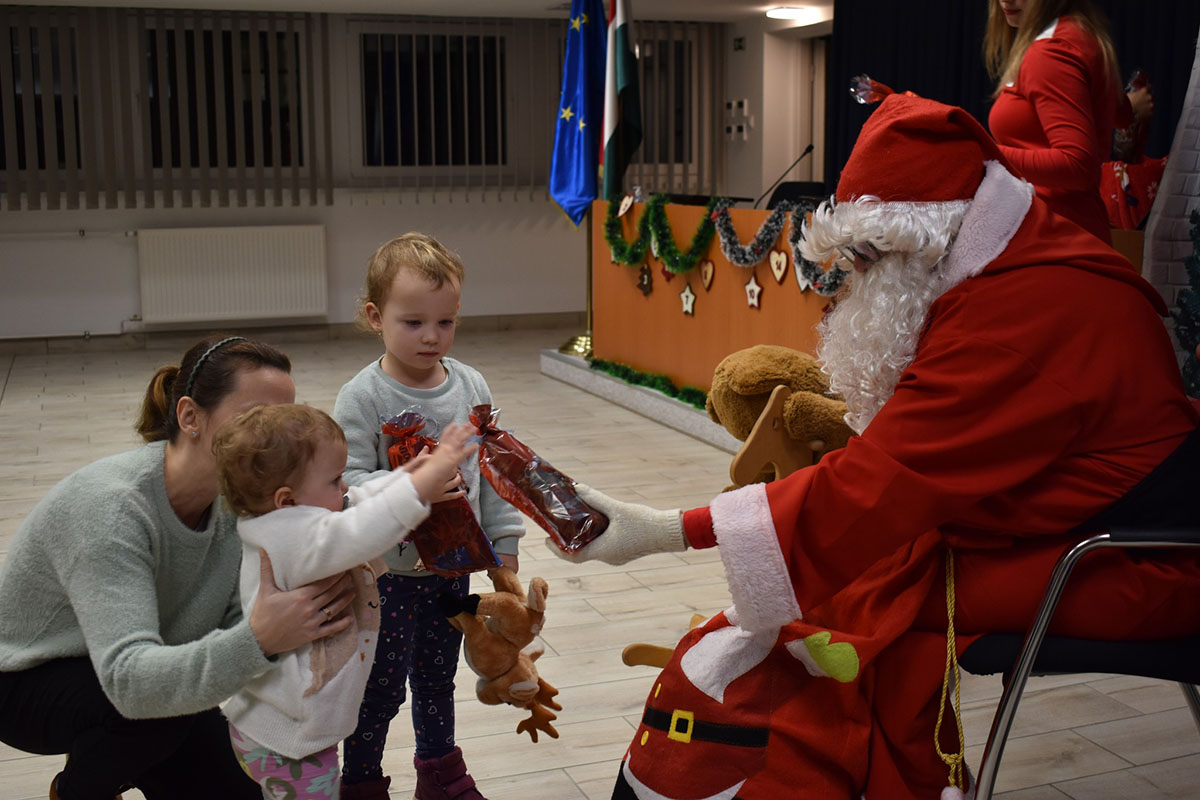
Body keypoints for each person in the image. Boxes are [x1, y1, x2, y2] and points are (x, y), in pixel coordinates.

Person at [548, 94, 1200, 799]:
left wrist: (666, 530)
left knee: (864, 609)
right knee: (854, 590)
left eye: (861, 260)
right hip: (1063, 527)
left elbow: (882, 482)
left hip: (1139, 557)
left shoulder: (1024, 314)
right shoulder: (1006, 271)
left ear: (921, 240)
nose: (849, 284)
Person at [0, 335, 357, 800]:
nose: (273, 439)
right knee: (155, 717)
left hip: (148, 669)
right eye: (253, 418)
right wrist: (263, 637)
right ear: (190, 416)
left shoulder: (242, 505)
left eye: (281, 420)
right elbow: (131, 682)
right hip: (28, 679)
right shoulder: (110, 507)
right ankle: (78, 790)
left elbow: (238, 618)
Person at [334, 233, 526, 800]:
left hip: (452, 571)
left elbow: (490, 472)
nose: (432, 336)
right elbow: (343, 483)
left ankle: (439, 774)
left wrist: (505, 545)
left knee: (439, 680)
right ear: (375, 316)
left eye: (446, 322)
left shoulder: (470, 386)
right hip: (385, 576)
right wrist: (410, 483)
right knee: (380, 688)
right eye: (413, 322)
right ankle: (361, 781)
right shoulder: (361, 396)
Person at [213, 403, 478, 799]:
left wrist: (407, 475)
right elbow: (360, 530)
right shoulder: (293, 539)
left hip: (278, 728)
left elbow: (355, 500)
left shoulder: (280, 520)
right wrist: (426, 482)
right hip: (291, 741)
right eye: (334, 479)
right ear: (287, 500)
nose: (344, 486)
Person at [984, 0, 1144, 244]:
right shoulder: (1079, 33)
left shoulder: (1052, 51)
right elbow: (1118, 112)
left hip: (1054, 239)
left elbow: (1078, 164)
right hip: (1069, 232)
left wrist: (982, 150)